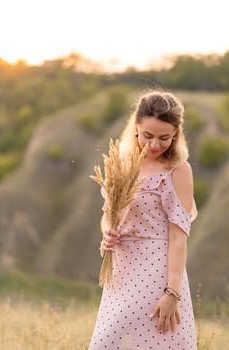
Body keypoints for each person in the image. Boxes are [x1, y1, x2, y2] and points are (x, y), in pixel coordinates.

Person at [88, 90, 198, 350]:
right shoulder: (122, 163)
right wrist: (108, 231)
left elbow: (178, 237)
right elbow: (108, 216)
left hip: (158, 273)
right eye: (147, 136)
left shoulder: (179, 171)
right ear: (136, 128)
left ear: (176, 135)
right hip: (121, 270)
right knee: (107, 343)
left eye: (164, 138)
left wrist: (172, 293)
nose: (155, 145)